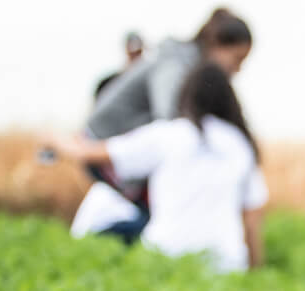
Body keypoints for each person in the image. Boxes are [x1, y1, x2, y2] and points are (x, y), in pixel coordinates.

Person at [46, 62, 268, 273]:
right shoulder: (239, 144)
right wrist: (255, 271)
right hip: (224, 265)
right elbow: (252, 220)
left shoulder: (168, 134)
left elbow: (93, 153)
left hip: (166, 257)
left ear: (186, 97)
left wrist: (54, 140)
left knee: (110, 234)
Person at [82, 8, 254, 242]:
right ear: (216, 45)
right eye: (237, 59)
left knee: (168, 212)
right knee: (164, 213)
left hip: (118, 144)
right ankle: (102, 243)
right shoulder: (175, 62)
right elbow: (169, 116)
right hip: (101, 144)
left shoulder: (190, 64)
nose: (237, 69)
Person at [95, 32, 145, 99]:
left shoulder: (149, 83)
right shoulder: (109, 84)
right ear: (126, 50)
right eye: (132, 53)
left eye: (138, 52)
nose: (135, 56)